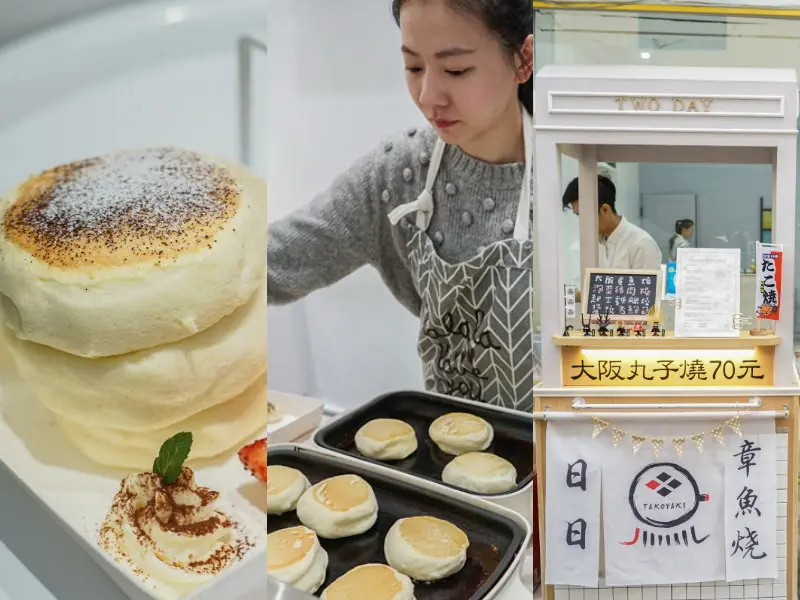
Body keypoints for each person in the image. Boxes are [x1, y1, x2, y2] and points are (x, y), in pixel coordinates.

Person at [266, 0, 537, 410]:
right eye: (413, 67)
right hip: (446, 440)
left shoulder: (573, 178)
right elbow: (276, 261)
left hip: (564, 445)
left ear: (523, 59)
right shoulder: (398, 173)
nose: (428, 96)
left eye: (456, 70)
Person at [562, 174, 662, 270]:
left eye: (584, 216)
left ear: (605, 210)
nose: (582, 223)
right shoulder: (591, 244)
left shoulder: (641, 245)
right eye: (578, 216)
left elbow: (647, 282)